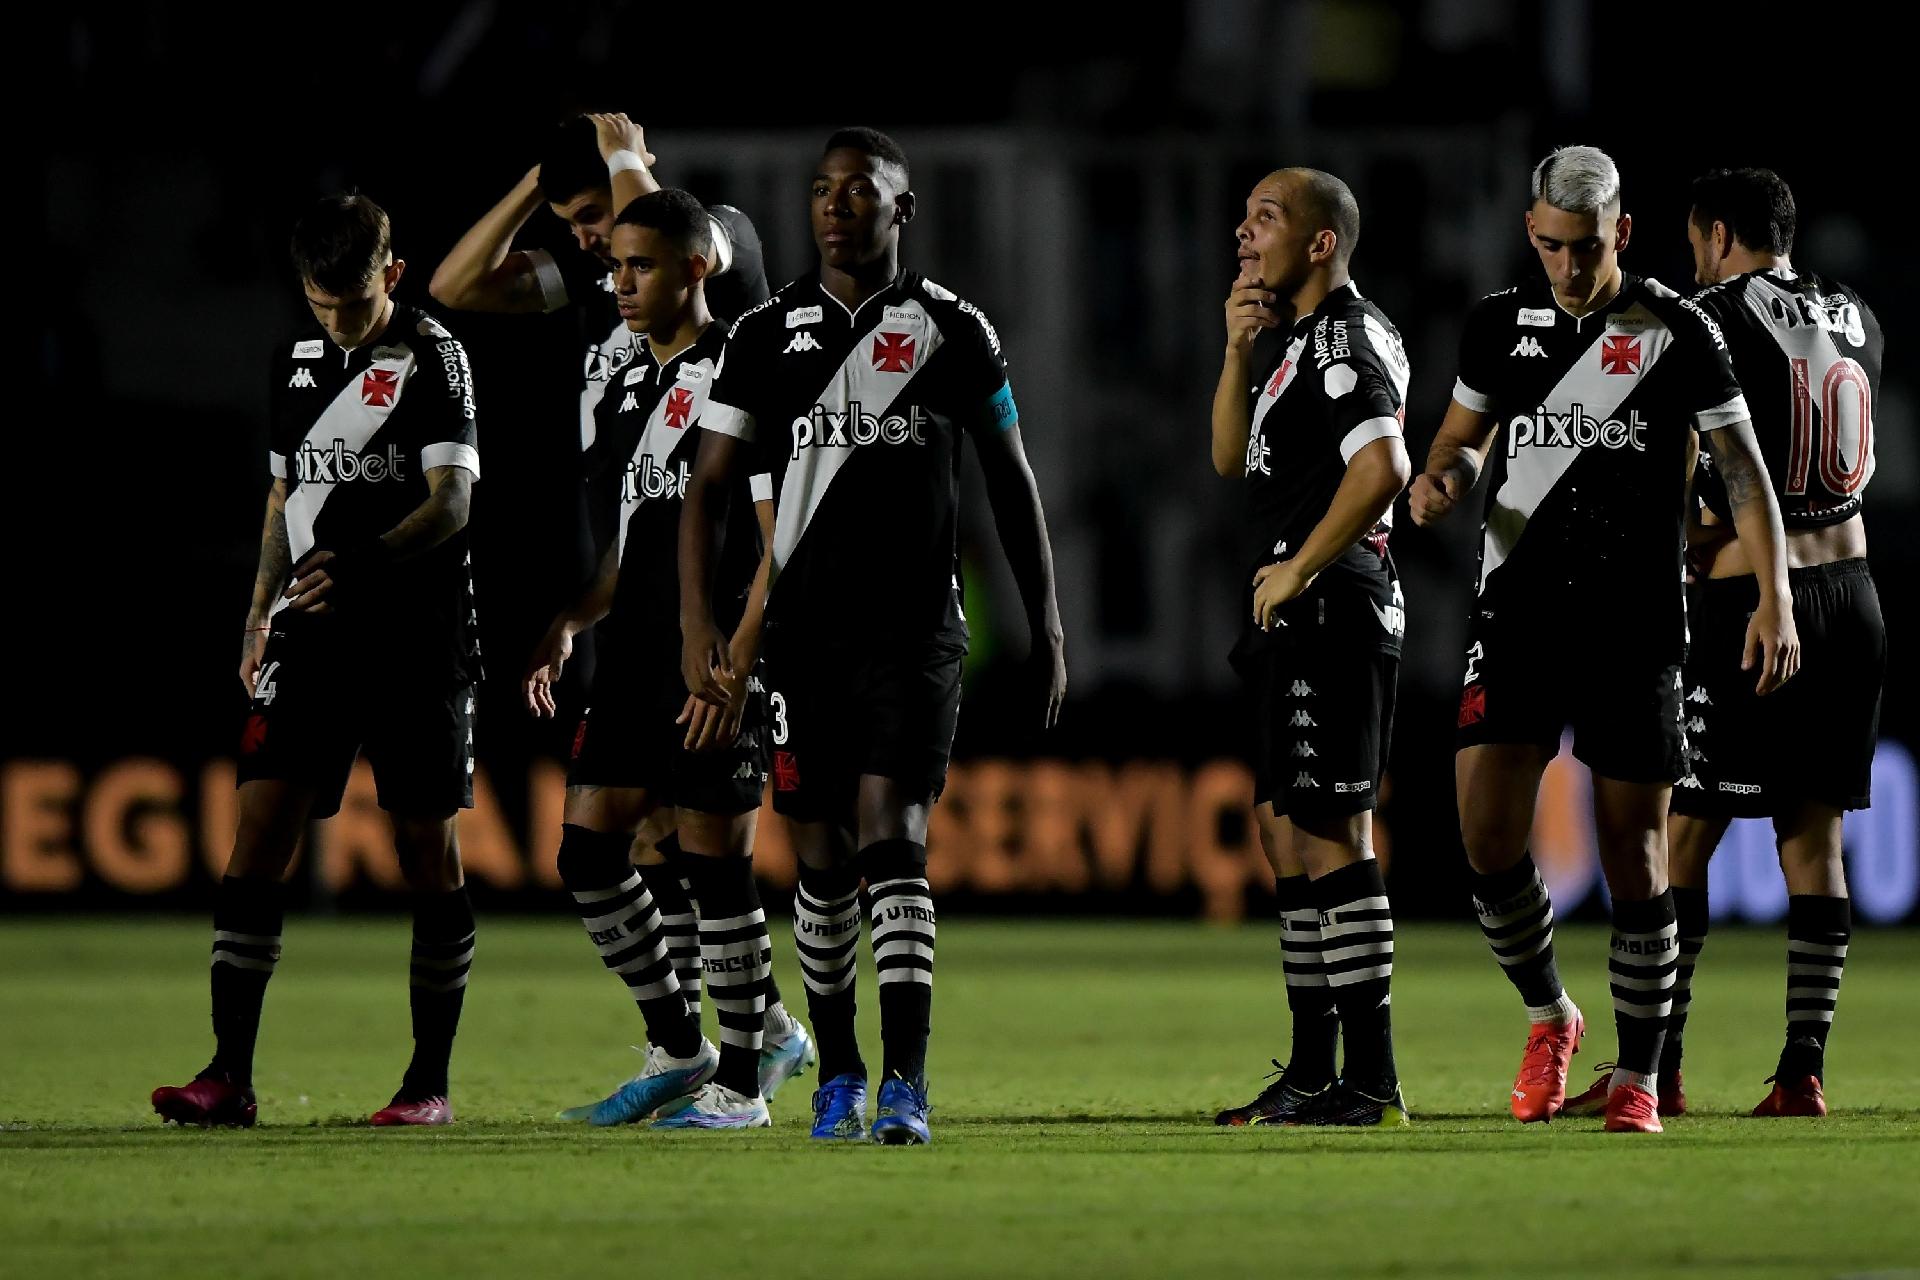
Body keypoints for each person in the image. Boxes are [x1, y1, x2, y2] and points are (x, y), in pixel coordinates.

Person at [680, 127, 1067, 1144]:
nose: (835, 205)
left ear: (904, 210)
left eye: (859, 191)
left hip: (916, 632)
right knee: (819, 863)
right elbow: (708, 490)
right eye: (822, 190)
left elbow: (1010, 482)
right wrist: (701, 627)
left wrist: (1049, 624)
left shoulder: (951, 326)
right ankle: (839, 1071)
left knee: (894, 839)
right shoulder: (766, 334)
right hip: (801, 640)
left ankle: (906, 1081)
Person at [1410, 145, 1799, 1133]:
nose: (1568, 267)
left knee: (1636, 851)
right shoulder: (1499, 324)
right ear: (1531, 233)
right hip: (1519, 611)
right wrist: (1445, 478)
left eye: (1583, 248)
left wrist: (1776, 597)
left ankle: (1639, 1074)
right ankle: (1551, 1015)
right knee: (1486, 836)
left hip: (1634, 622)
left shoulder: (1678, 328)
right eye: (1549, 246)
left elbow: (1743, 470)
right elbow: (1459, 439)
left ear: (1619, 232)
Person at [430, 113, 772, 1021]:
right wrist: (536, 187)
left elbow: (667, 229)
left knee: (696, 845)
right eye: (580, 231)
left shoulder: (718, 234)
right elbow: (454, 285)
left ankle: (750, 1046)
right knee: (642, 838)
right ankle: (720, 1037)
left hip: (714, 602)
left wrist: (627, 166)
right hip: (628, 592)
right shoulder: (604, 287)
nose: (590, 244)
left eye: (592, 217)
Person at [152, 193, 483, 1128]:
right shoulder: (293, 360)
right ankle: (228, 1076)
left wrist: (365, 564)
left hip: (418, 639)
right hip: (312, 636)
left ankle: (427, 1085)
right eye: (319, 300)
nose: (336, 319)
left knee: (426, 849)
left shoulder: (433, 355)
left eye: (354, 300)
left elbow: (452, 502)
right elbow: (285, 487)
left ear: (395, 273)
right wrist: (258, 608)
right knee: (258, 831)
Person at [1563, 168, 1884, 1120]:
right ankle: (1800, 1073)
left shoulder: (1706, 315)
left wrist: (1693, 536)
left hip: (1755, 602)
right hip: (1855, 593)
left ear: (1710, 233)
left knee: (1679, 839)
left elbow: (1689, 453)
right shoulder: (1858, 314)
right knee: (1815, 844)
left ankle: (1650, 1073)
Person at [523, 190, 811, 1130]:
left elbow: (779, 534)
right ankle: (682, 1045)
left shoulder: (743, 369)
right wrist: (572, 620)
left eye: (639, 266)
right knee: (586, 852)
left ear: (697, 268)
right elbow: (631, 544)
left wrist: (739, 655)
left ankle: (742, 1077)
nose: (619, 284)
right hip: (633, 654)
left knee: (714, 862)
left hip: (718, 655)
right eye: (613, 268)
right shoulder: (621, 383)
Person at [1208, 169, 1413, 1127]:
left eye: (1266, 218)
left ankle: (1370, 1079)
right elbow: (1226, 459)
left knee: (1333, 834)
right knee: (1284, 832)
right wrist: (1235, 354)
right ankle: (1310, 1070)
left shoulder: (1347, 334)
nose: (1244, 234)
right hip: (1294, 620)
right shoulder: (1290, 343)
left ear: (1321, 242)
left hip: (1332, 611)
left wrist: (1299, 570)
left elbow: (1384, 466)